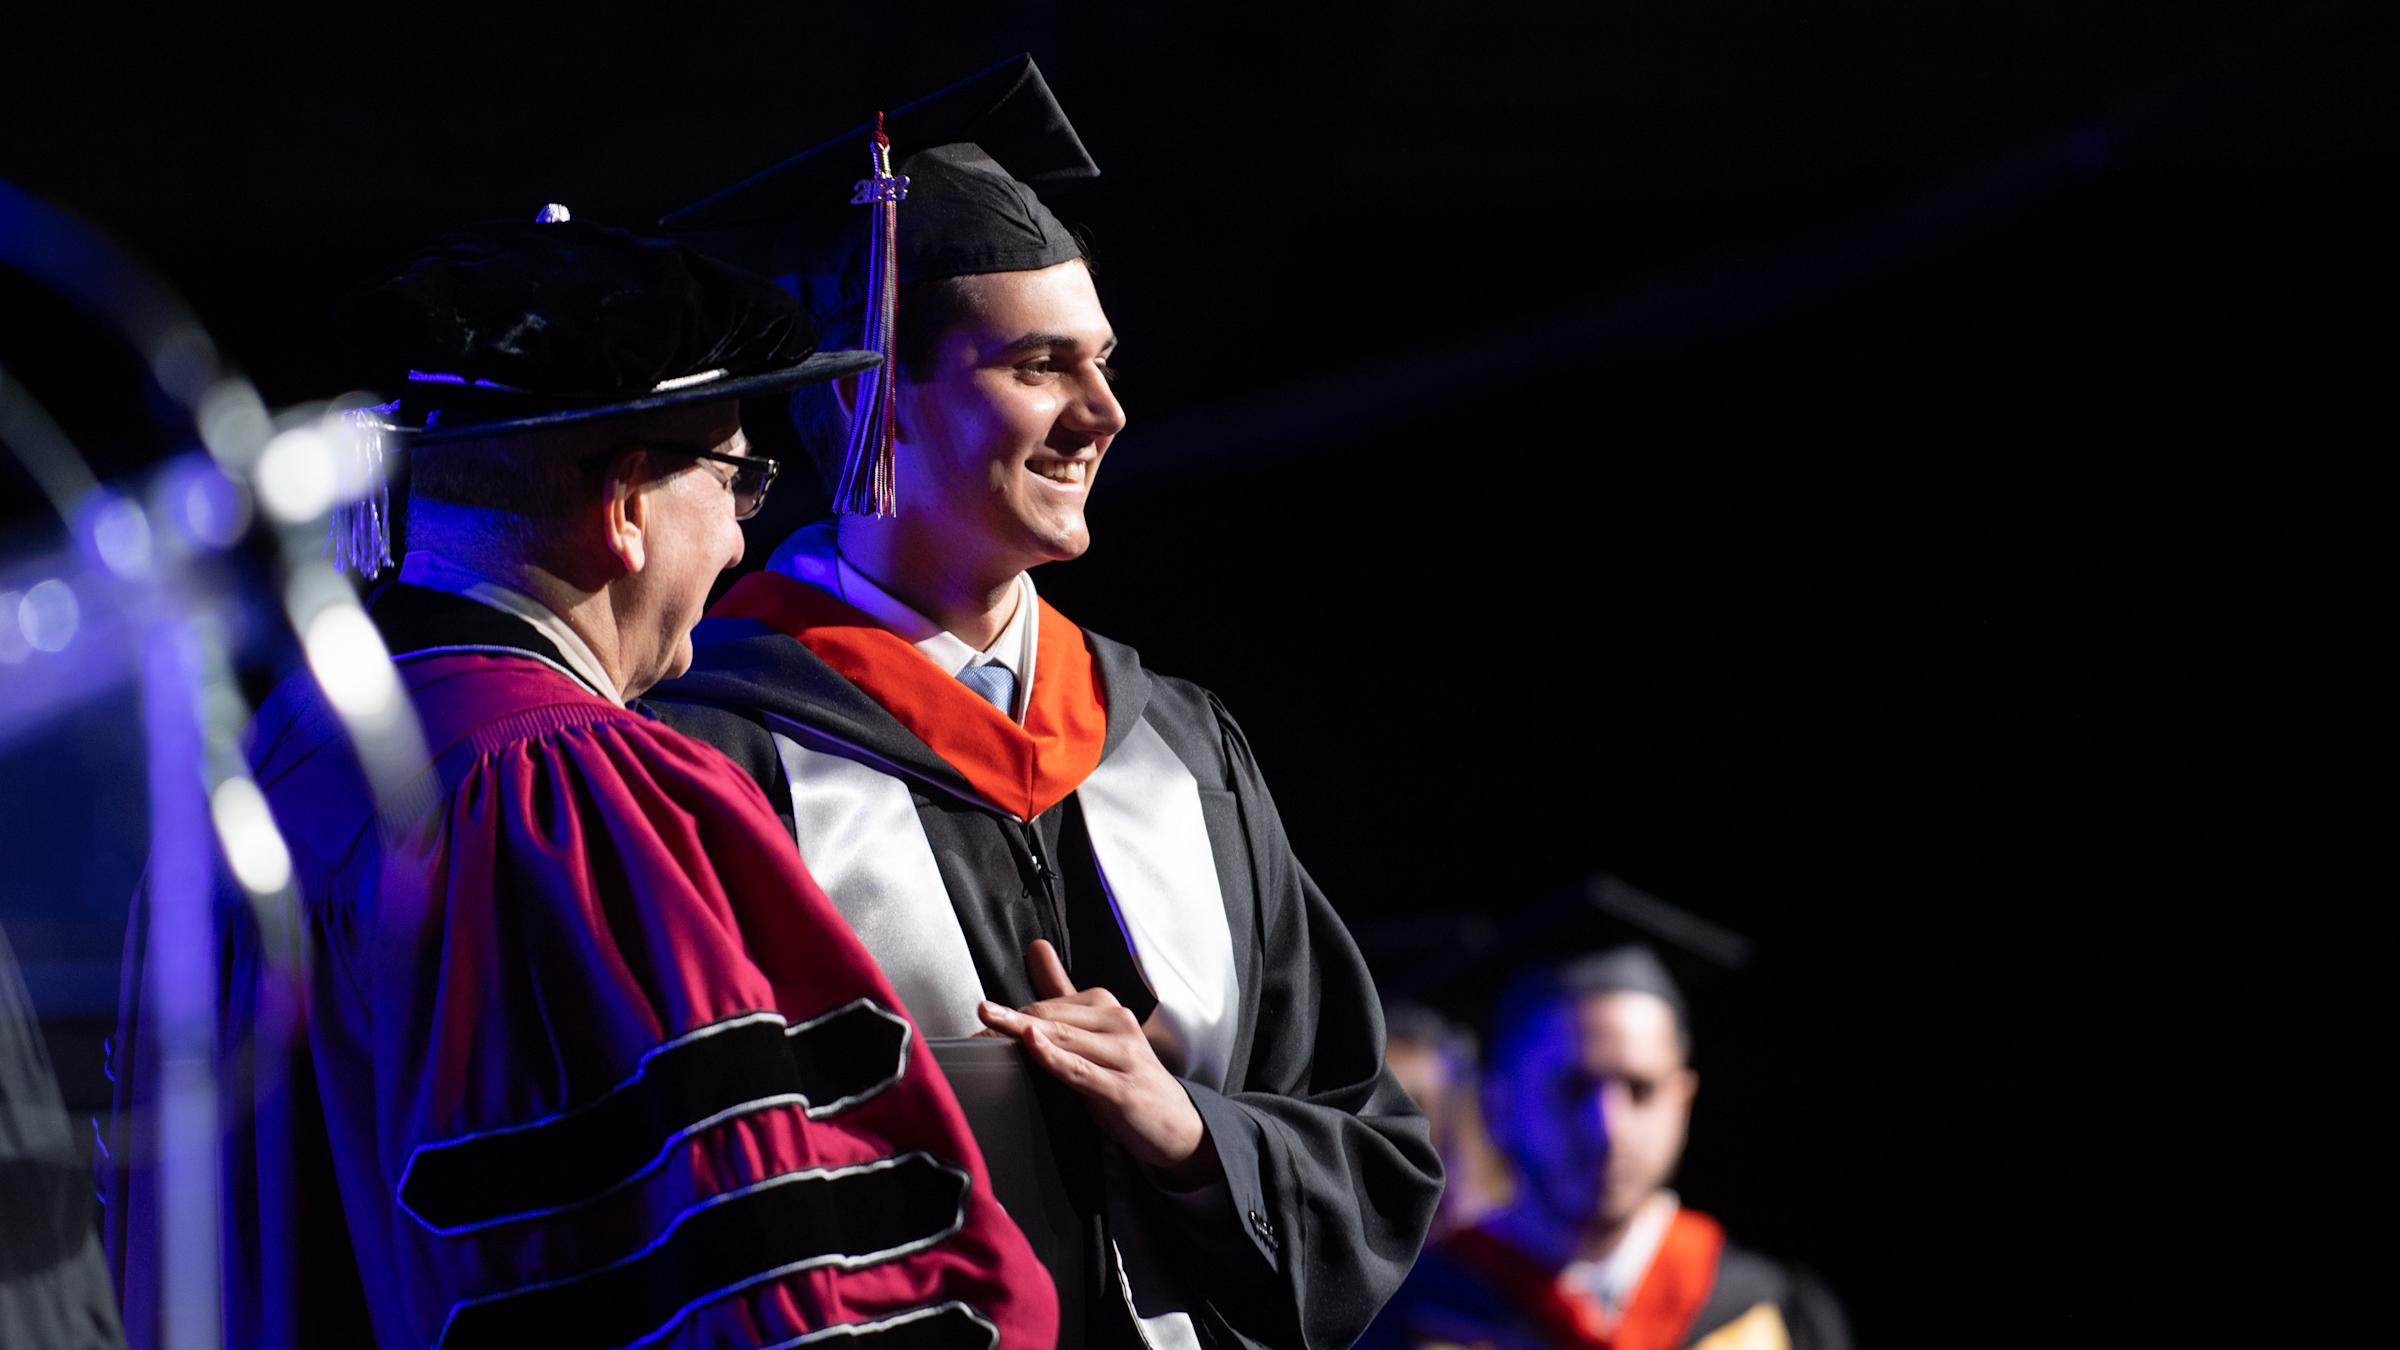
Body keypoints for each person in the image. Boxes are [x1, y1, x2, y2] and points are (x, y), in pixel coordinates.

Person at [100, 217, 1058, 1350]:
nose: (746, 541)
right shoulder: (567, 789)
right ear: (626, 507)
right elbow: (745, 1277)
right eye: (739, 479)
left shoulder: (271, 770)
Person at [648, 55, 1442, 1350]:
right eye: (1039, 365)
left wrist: (1192, 1136)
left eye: (1107, 363)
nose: (1106, 412)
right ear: (866, 397)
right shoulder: (714, 753)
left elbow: (1371, 1150)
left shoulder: (1175, 743)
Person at [1366, 948, 1852, 1350]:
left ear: (1683, 1102)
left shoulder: (1767, 1311)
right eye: (1574, 1088)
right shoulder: (1423, 1311)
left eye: (1641, 1089)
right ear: (1501, 1105)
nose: (1609, 1129)